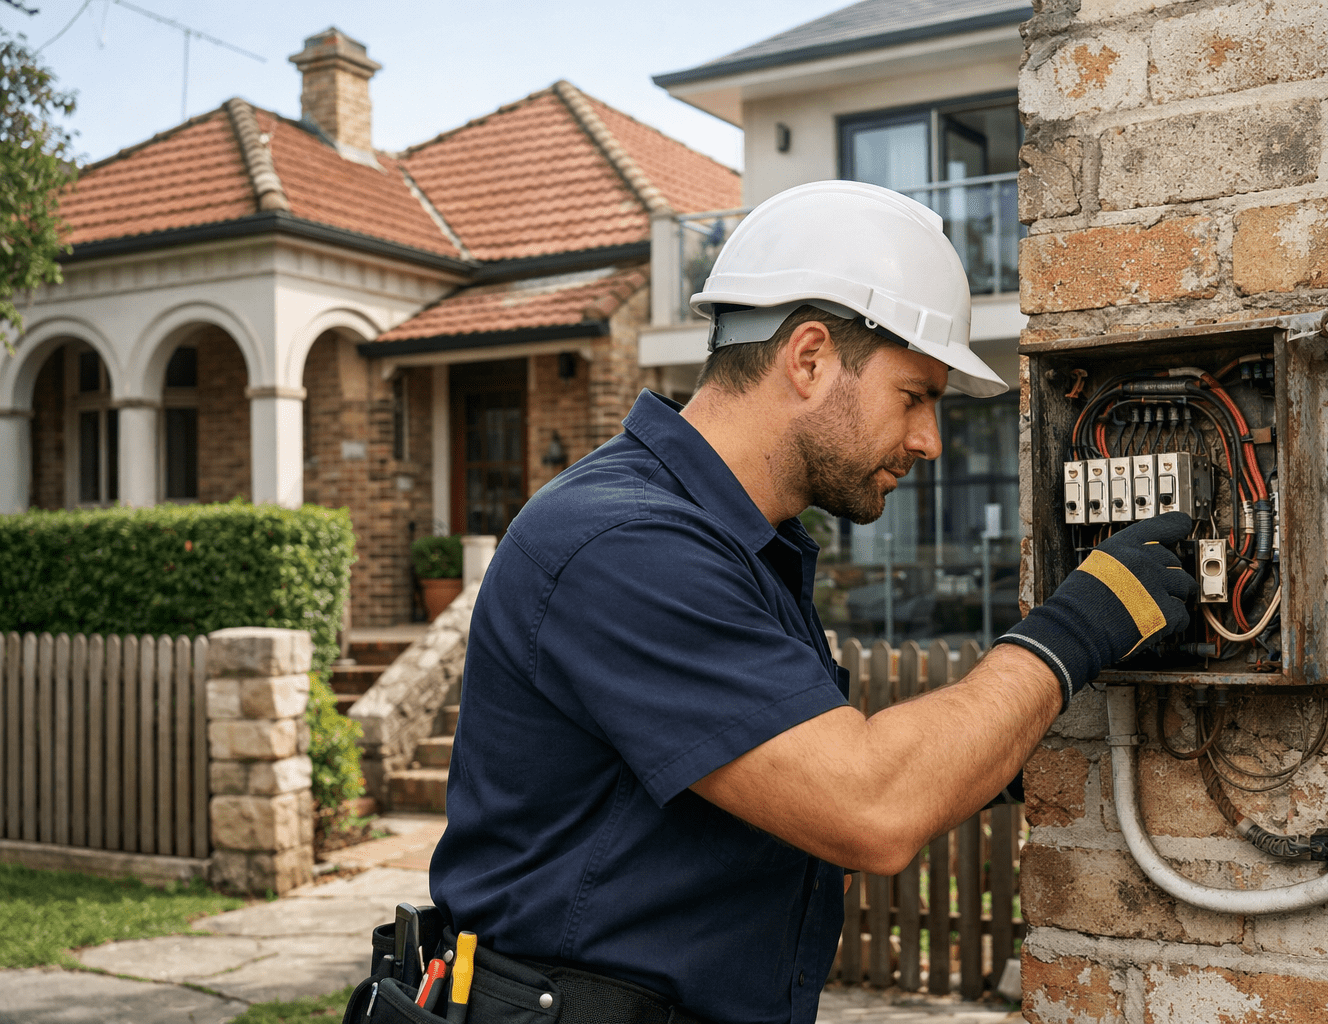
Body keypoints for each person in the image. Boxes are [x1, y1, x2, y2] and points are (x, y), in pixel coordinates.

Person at [428, 181, 1195, 1024]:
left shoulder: (739, 543)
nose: (930, 442)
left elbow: (790, 776)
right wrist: (1073, 629)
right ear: (809, 358)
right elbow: (868, 806)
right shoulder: (625, 545)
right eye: (915, 395)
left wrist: (992, 750)